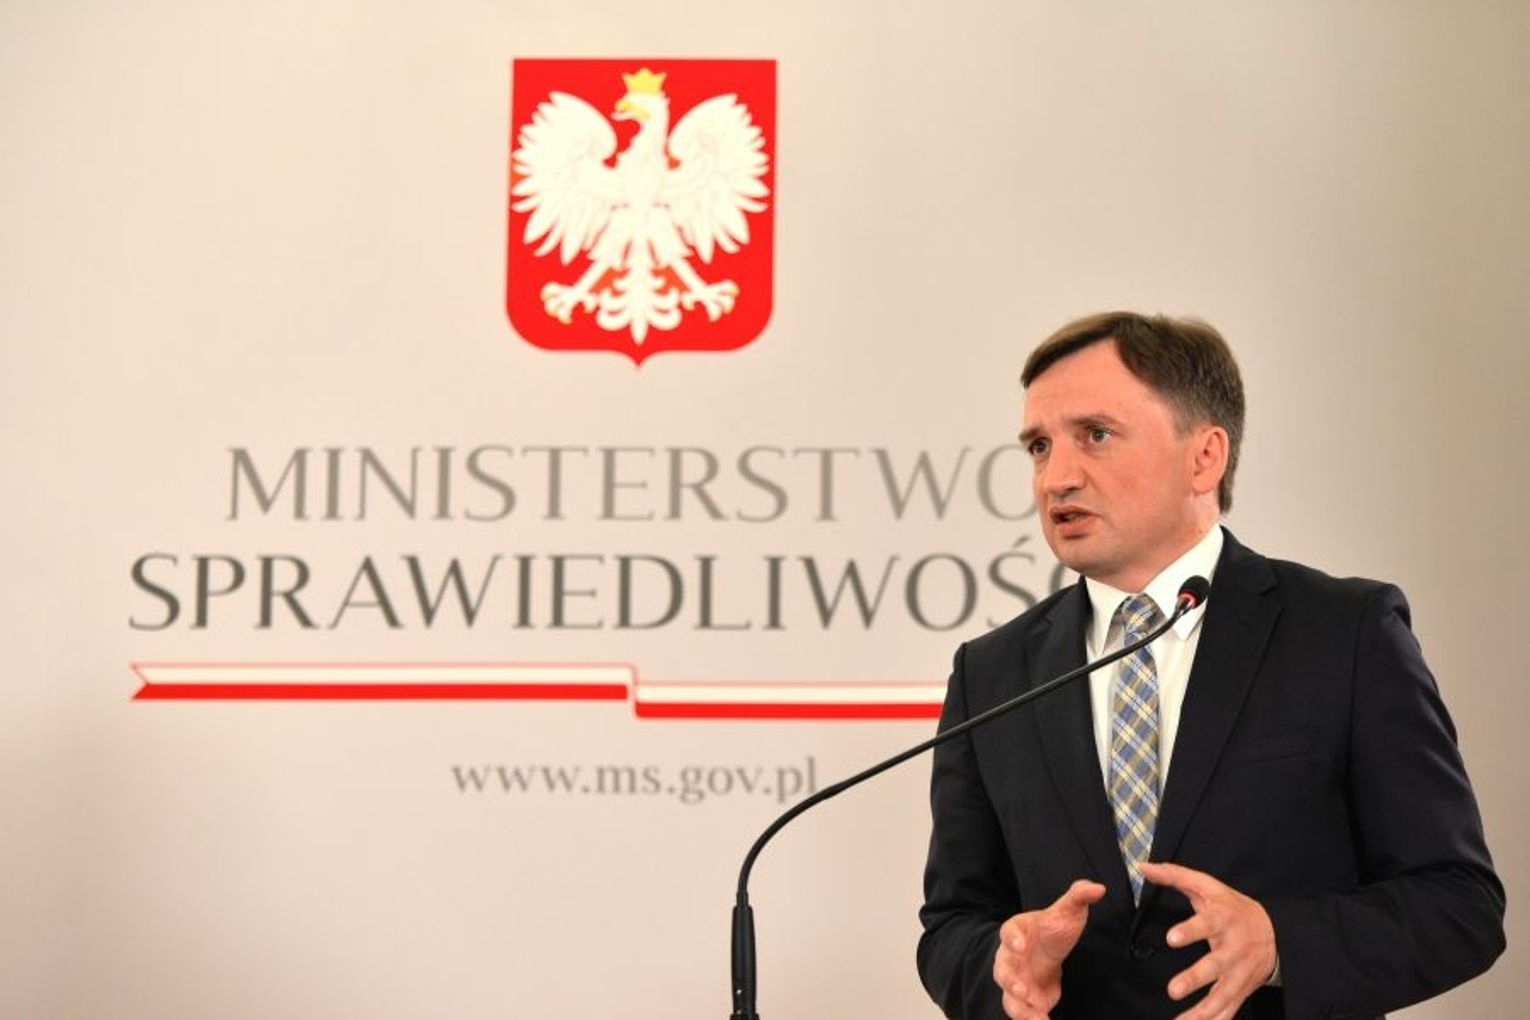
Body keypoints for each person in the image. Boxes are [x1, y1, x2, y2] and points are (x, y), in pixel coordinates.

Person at [917, 312, 1504, 1019]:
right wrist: (1002, 966)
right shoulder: (992, 674)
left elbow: (1459, 904)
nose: (1057, 478)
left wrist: (1280, 942)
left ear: (1204, 457)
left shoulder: (1345, 633)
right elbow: (952, 924)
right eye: (1040, 446)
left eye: (1095, 435)